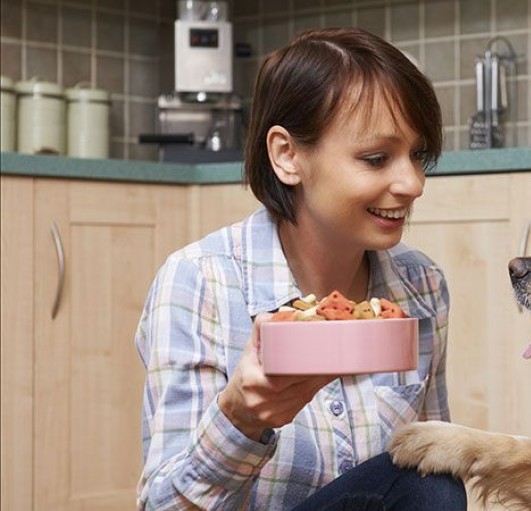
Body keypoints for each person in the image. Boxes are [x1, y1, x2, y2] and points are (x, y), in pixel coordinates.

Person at [135, 28, 467, 510]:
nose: (413, 182)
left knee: (432, 468)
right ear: (287, 155)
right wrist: (240, 420)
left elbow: (429, 465)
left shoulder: (421, 286)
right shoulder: (200, 281)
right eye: (376, 158)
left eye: (418, 155)